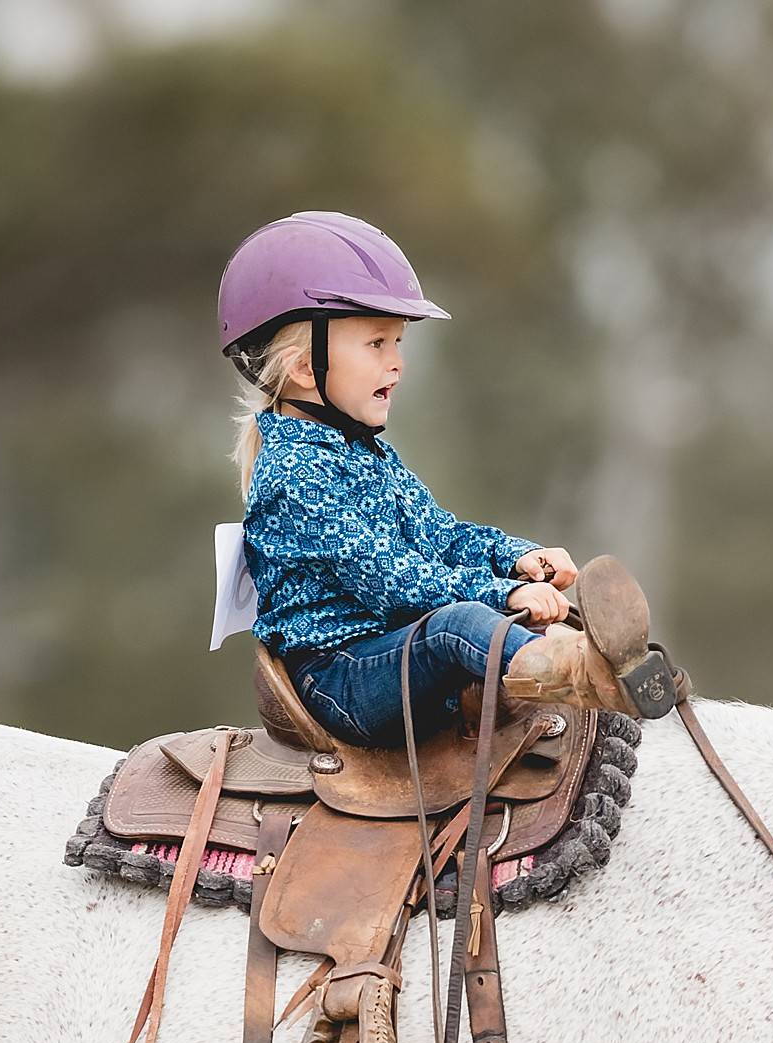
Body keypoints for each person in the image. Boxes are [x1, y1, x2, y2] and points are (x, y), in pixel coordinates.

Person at [218, 210, 673, 746]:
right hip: (338, 678)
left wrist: (516, 557)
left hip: (391, 653)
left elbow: (442, 537)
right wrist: (505, 596)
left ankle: (589, 662)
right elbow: (392, 581)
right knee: (460, 624)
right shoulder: (293, 475)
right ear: (302, 367)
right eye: (376, 344)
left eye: (398, 344)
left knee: (476, 622)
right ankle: (580, 674)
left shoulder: (368, 455)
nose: (397, 364)